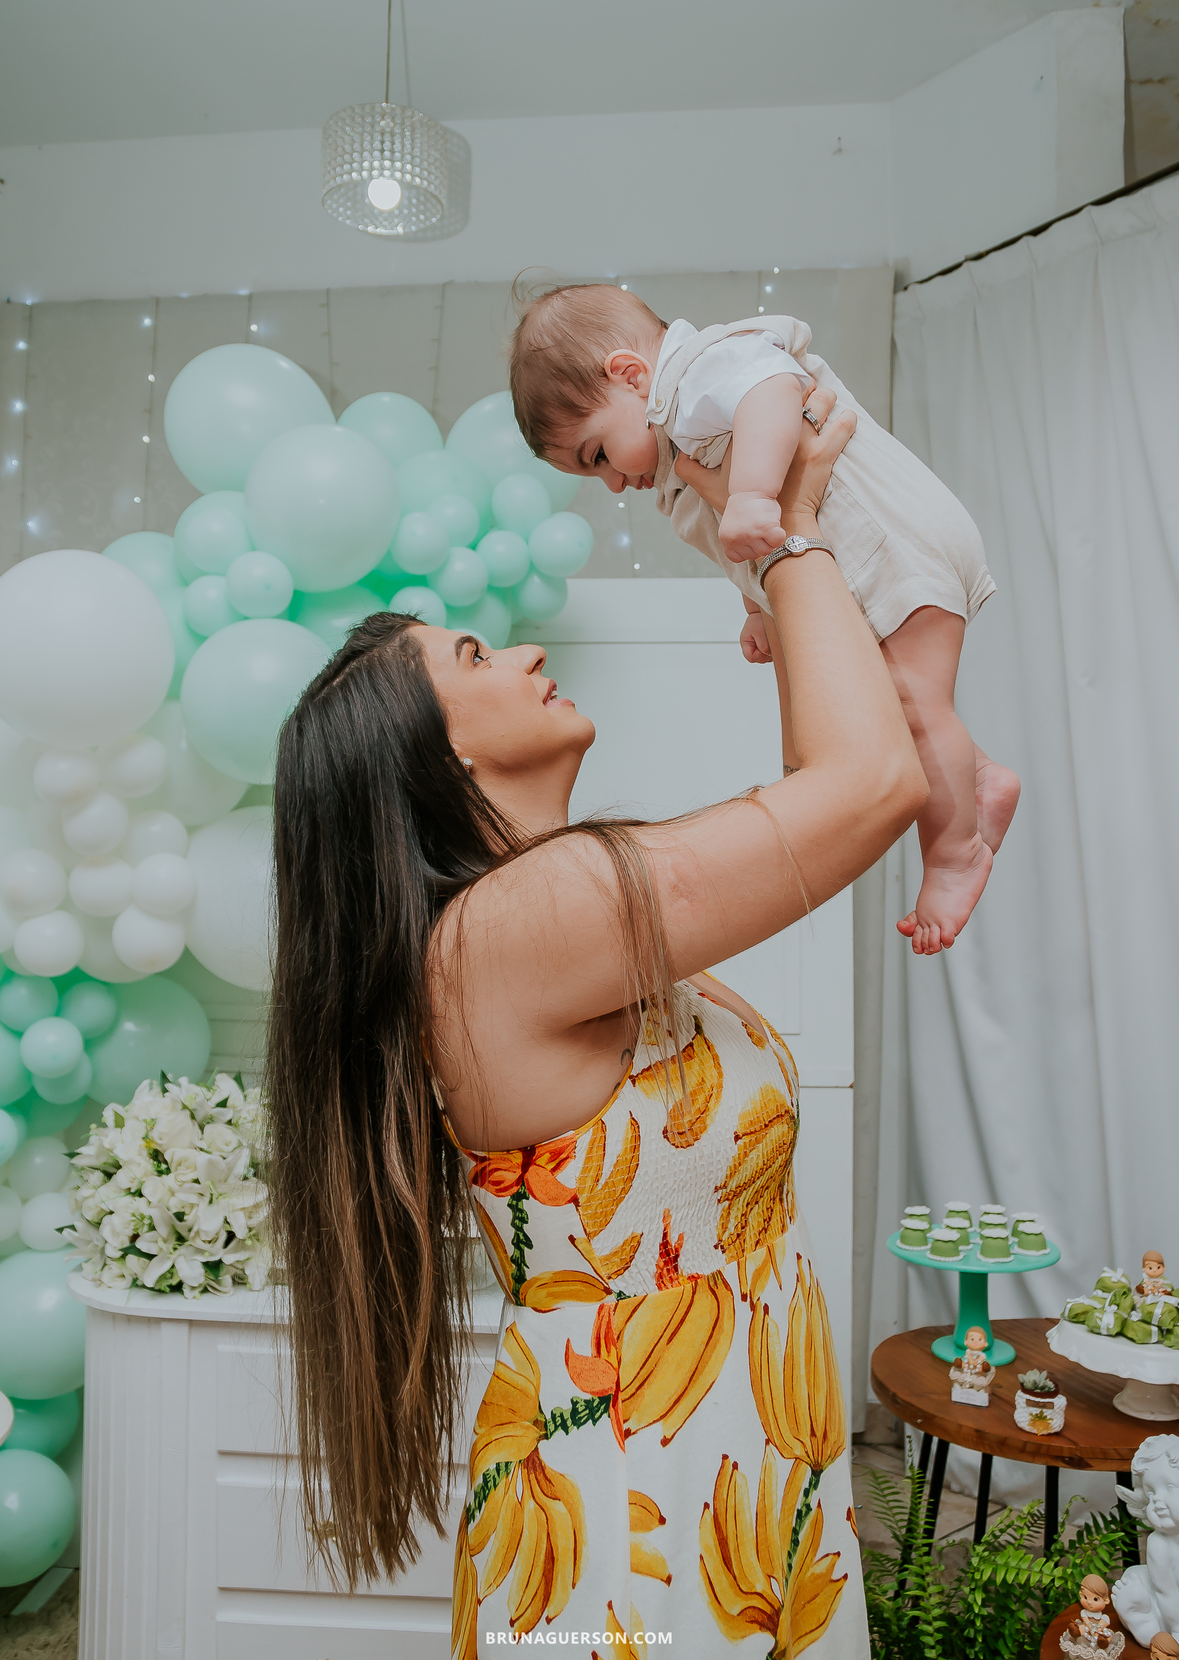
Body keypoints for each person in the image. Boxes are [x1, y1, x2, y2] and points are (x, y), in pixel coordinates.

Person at [265, 387, 926, 1657]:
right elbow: (870, 785)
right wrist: (786, 540)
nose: (516, 651)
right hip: (631, 1512)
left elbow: (821, 792)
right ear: (438, 763)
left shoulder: (566, 911)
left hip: (743, 1460)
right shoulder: (518, 924)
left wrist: (782, 552)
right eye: (472, 658)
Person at [509, 283, 1021, 956]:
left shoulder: (703, 372)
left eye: (597, 454)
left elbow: (773, 390)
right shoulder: (684, 443)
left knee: (912, 702)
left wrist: (749, 496)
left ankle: (956, 851)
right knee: (892, 702)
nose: (610, 484)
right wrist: (756, 603)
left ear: (631, 376)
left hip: (894, 544)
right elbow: (743, 535)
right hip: (871, 557)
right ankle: (976, 776)